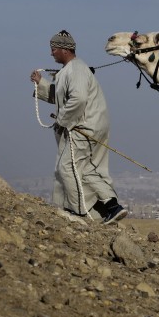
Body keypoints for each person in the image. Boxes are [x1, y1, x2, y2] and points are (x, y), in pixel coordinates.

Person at [30, 30, 127, 224]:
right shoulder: (71, 71)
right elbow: (61, 97)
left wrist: (62, 120)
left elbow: (78, 98)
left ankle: (78, 213)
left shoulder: (75, 70)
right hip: (90, 126)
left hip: (84, 127)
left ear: (64, 50)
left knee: (67, 167)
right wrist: (41, 84)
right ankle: (111, 207)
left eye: (54, 49)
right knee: (86, 169)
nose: (51, 53)